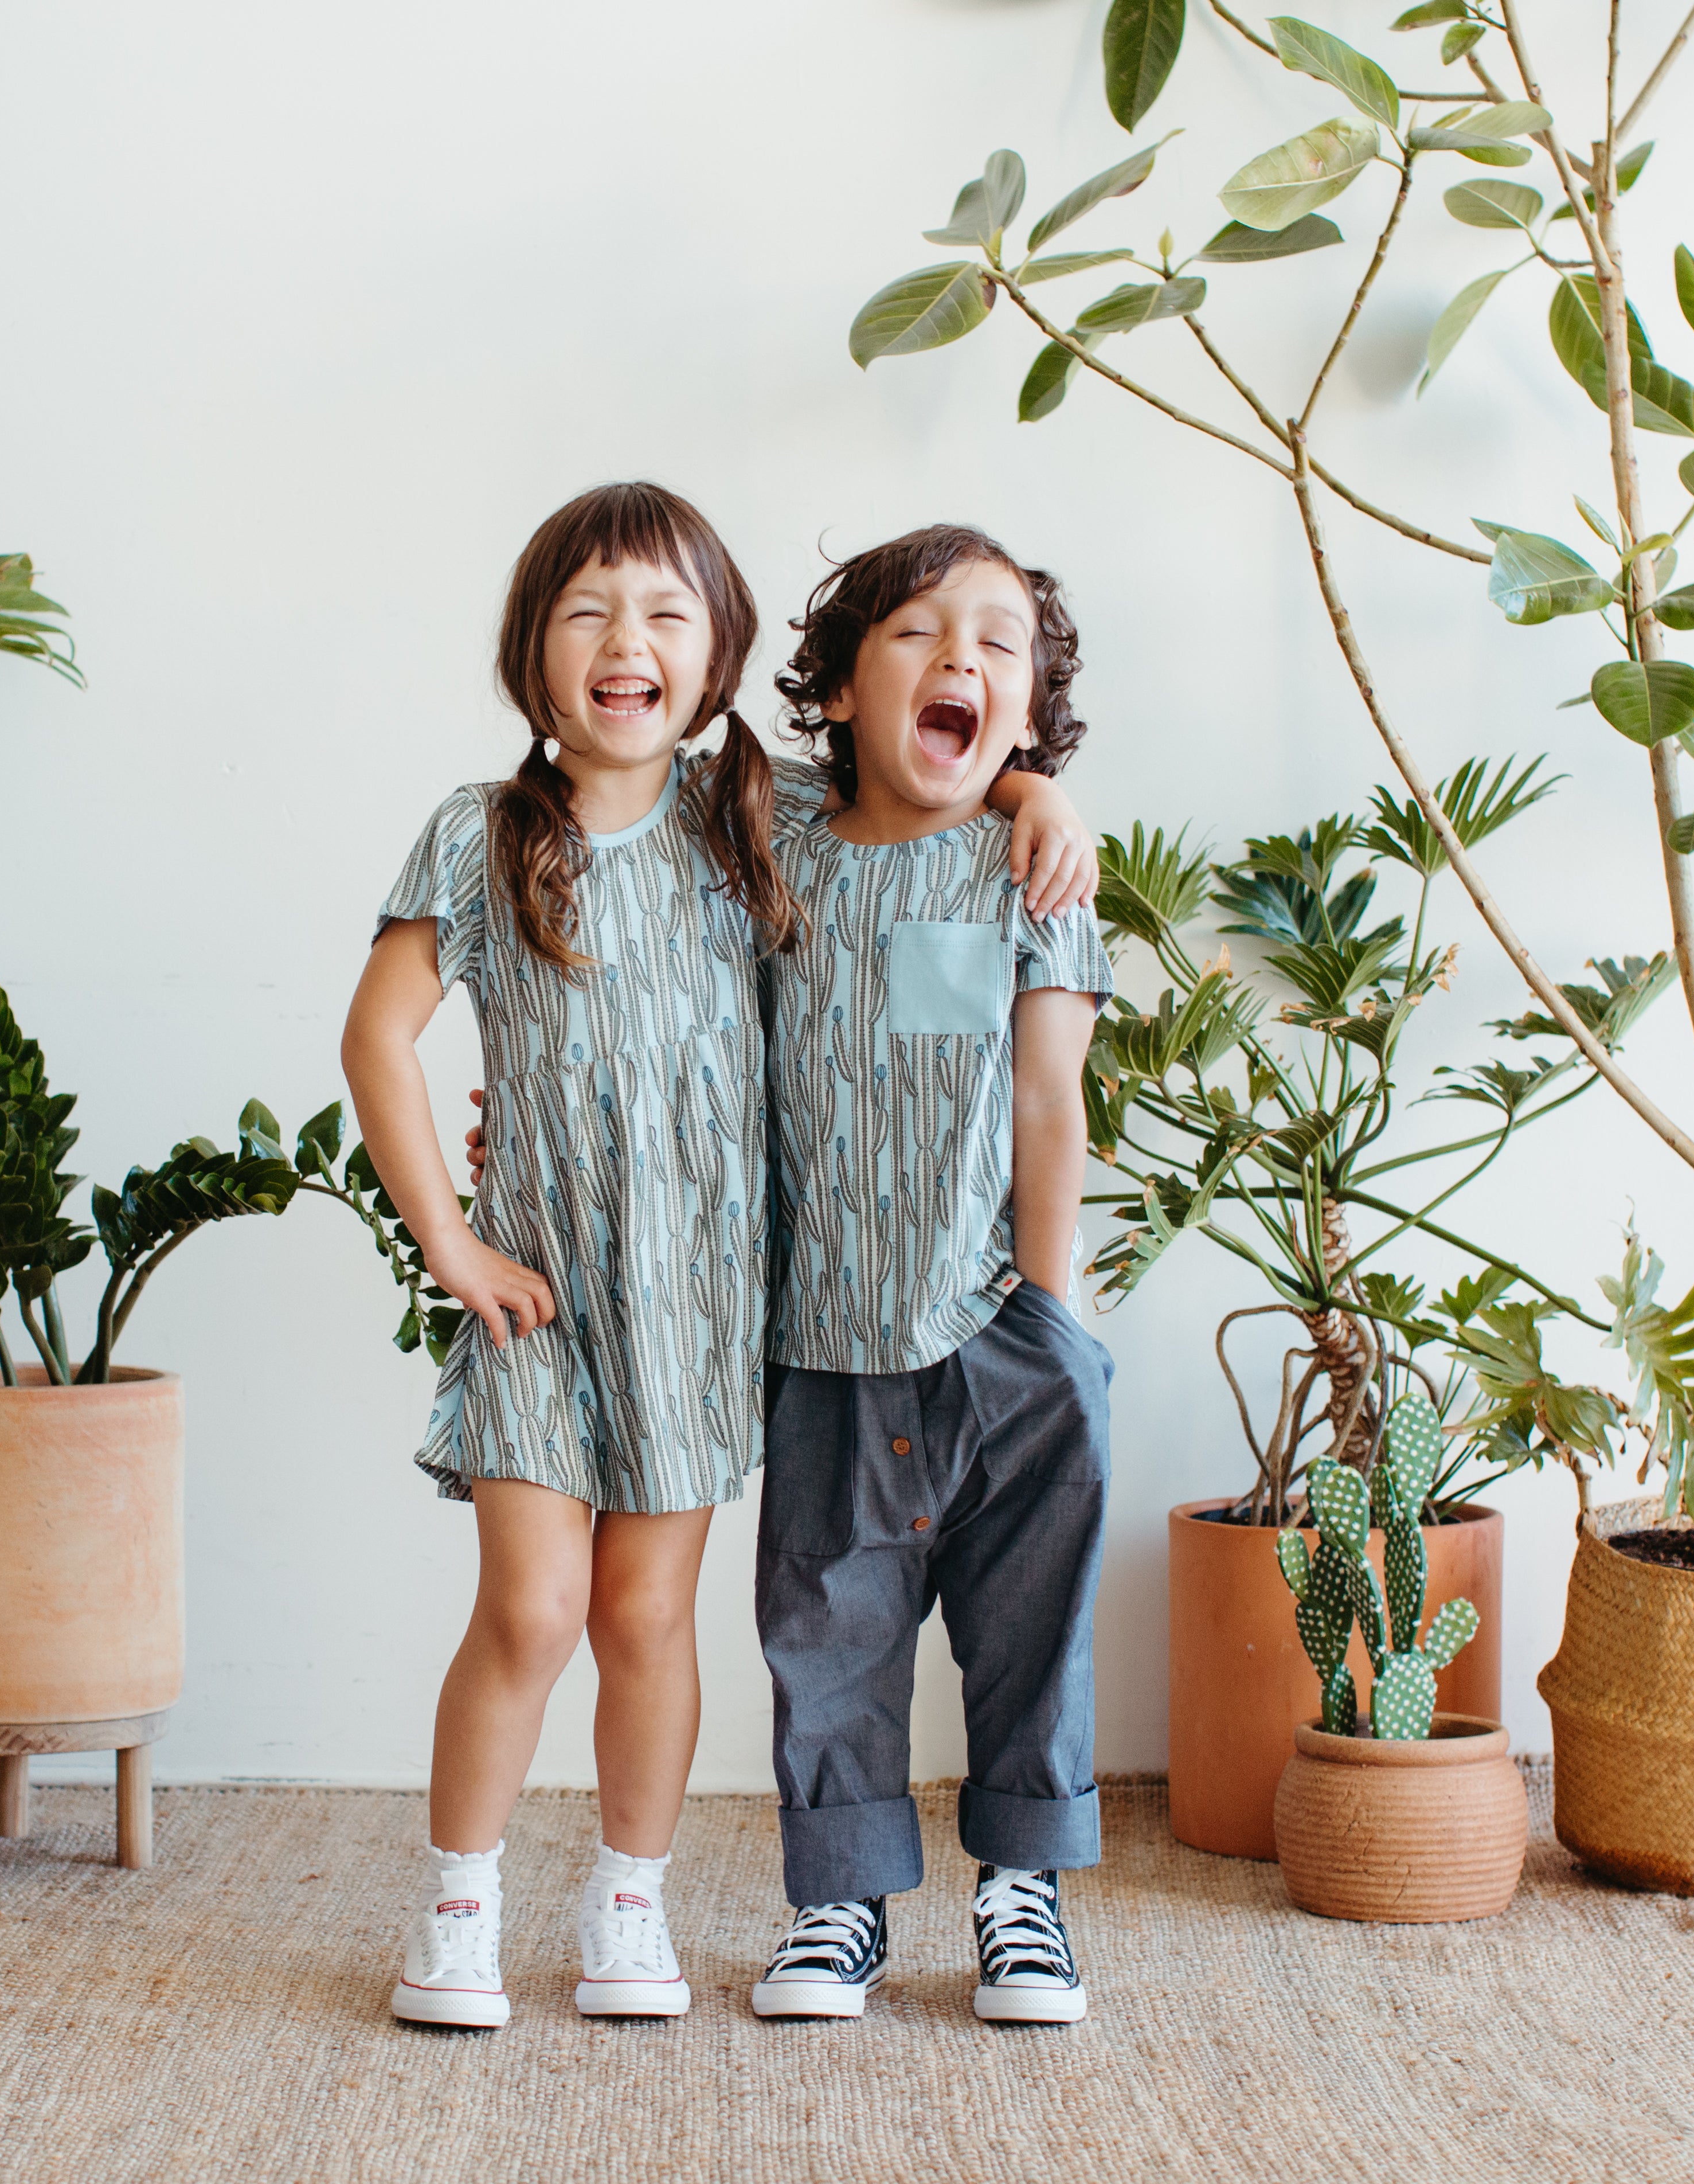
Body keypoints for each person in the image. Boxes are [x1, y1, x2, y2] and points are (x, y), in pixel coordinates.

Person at [340, 483, 1098, 2030]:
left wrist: (1030, 791)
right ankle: (475, 1904)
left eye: (668, 616)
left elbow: (942, 861)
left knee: (666, 1617)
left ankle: (654, 1904)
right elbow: (385, 1036)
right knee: (558, 1609)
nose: (629, 642)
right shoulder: (569, 828)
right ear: (530, 650)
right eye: (591, 614)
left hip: (757, 1313)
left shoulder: (755, 814)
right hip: (599, 1304)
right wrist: (456, 1240)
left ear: (722, 655)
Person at [742, 524, 1114, 2027]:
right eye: (916, 633)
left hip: (1002, 1334)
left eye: (998, 644)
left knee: (1030, 1621)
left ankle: (1022, 1893)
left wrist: (1052, 1323)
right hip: (826, 1336)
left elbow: (1047, 1105)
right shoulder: (767, 838)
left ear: (1026, 712)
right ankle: (838, 1903)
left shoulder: (1029, 871)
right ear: (835, 690)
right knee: (826, 1621)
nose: (960, 656)